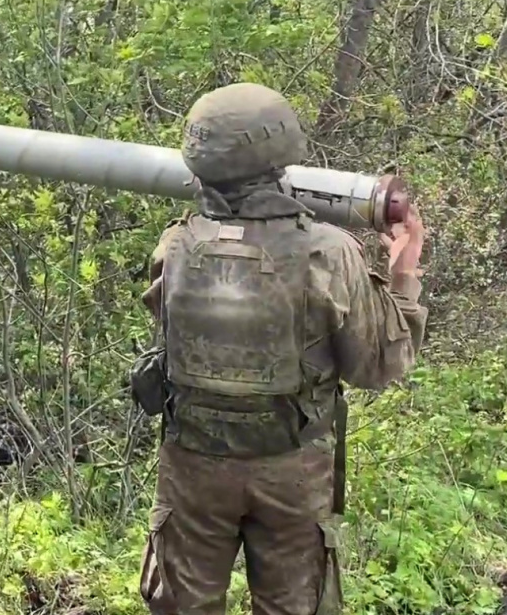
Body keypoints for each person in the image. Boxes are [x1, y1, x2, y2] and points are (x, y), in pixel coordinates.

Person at [128, 82, 428, 615]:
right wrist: (403, 275)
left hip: (192, 467)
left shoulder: (175, 245)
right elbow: (379, 365)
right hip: (292, 471)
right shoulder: (328, 251)